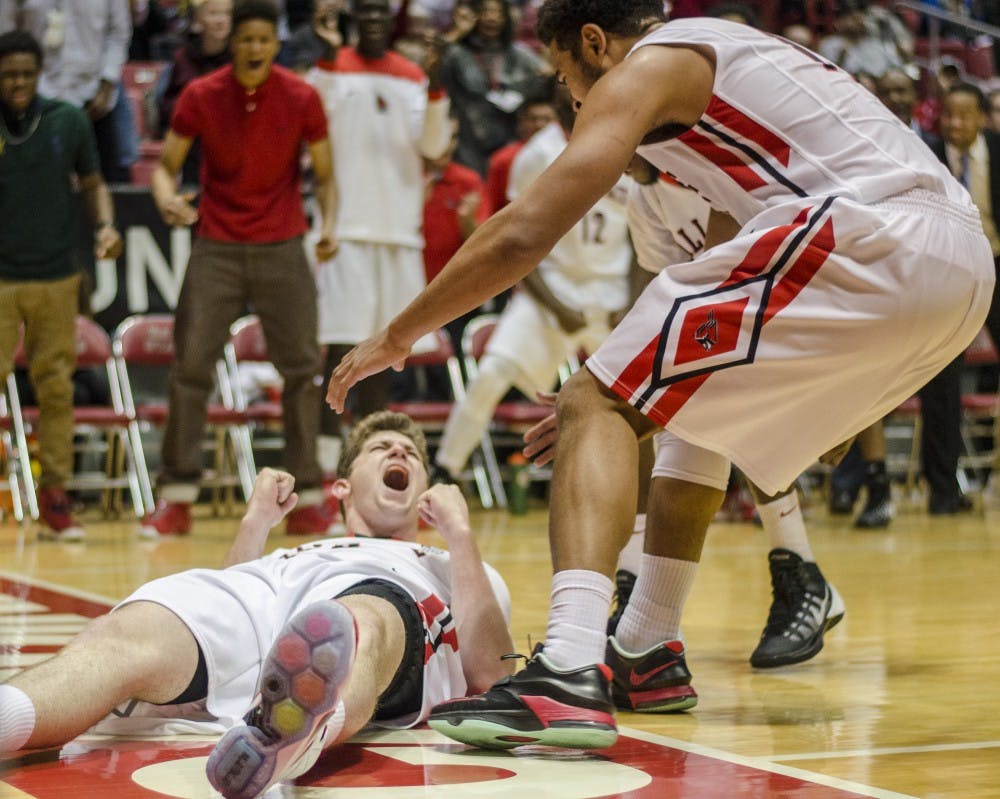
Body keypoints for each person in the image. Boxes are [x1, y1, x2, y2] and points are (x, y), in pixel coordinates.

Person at [328, 1, 992, 750]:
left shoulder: (652, 62)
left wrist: (398, 333)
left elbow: (523, 233)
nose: (574, 98)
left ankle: (570, 668)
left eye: (564, 76)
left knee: (592, 396)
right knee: (686, 405)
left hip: (875, 235)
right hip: (957, 276)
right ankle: (647, 643)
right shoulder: (729, 84)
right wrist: (623, 401)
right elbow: (699, 321)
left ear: (592, 44)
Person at [0, 411, 515, 799]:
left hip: (383, 592)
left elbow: (490, 675)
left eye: (411, 454)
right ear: (340, 486)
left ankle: (294, 733)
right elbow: (229, 591)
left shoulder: (447, 563)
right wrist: (256, 522)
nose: (399, 456)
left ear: (427, 488)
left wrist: (461, 533)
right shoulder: (291, 551)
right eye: (381, 448)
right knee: (130, 633)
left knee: (362, 622)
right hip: (267, 590)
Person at [142, 0, 338, 537]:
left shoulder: (302, 96)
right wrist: (167, 199)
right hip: (216, 245)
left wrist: (327, 226)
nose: (254, 48)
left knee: (301, 370)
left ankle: (307, 496)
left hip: (284, 244)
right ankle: (177, 494)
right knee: (191, 367)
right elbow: (165, 168)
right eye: (245, 40)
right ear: (234, 43)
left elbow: (324, 176)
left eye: (263, 40)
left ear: (276, 43)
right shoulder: (201, 95)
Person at [435, 88, 638, 482]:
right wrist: (553, 302)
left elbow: (637, 233)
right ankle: (446, 469)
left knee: (640, 390)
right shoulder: (535, 156)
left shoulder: (624, 140)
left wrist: (632, 298)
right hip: (551, 289)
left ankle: (650, 482)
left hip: (614, 294)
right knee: (491, 372)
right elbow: (520, 239)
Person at [308, 0, 452, 478]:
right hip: (345, 231)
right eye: (364, 12)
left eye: (380, 13)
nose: (372, 21)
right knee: (338, 348)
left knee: (384, 353)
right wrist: (328, 59)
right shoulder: (329, 70)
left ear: (393, 22)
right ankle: (325, 467)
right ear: (353, 18)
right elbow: (315, 131)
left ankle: (360, 468)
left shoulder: (413, 76)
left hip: (398, 234)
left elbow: (432, 148)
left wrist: (436, 84)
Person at [0, 30, 123, 541]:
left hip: (56, 275)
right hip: (1, 277)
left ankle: (55, 495)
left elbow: (94, 185)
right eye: (9, 75)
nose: (19, 83)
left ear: (39, 72)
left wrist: (107, 227)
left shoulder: (68, 120)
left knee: (57, 391)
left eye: (27, 74)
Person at [0, 0, 134, 182]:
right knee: (34, 185)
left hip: (94, 100)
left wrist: (107, 84)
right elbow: (6, 32)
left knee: (103, 181)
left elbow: (118, 33)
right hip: (35, 100)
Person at [437, 0, 548, 176]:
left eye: (498, 13)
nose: (491, 18)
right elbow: (431, 69)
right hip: (467, 141)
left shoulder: (519, 54)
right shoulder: (456, 53)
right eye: (486, 11)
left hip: (508, 138)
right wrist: (457, 33)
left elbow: (547, 74)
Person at [156, 0, 233, 183]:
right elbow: (167, 108)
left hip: (231, 150)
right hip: (192, 149)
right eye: (214, 14)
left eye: (227, 14)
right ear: (198, 20)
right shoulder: (182, 58)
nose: (221, 20)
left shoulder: (241, 58)